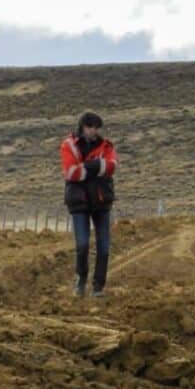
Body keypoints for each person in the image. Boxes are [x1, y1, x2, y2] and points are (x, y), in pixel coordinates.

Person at [60, 112, 119, 297]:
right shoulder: (68, 145)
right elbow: (70, 173)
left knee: (104, 246)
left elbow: (112, 167)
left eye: (96, 127)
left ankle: (98, 286)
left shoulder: (106, 145)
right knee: (83, 244)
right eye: (89, 126)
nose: (93, 131)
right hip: (79, 201)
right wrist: (97, 166)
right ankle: (81, 279)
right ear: (82, 126)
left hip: (101, 201)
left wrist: (84, 167)